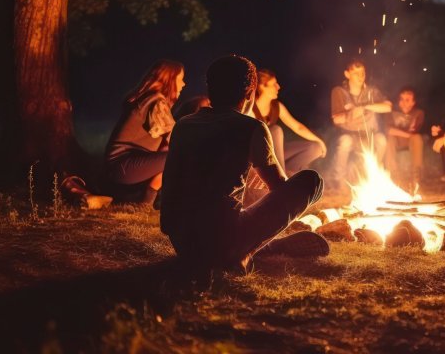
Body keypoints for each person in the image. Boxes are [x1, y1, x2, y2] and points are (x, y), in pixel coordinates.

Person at [160, 55, 327, 271]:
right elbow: (279, 189)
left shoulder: (184, 124)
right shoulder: (250, 128)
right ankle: (247, 252)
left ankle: (243, 249)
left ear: (210, 88)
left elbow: (175, 181)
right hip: (221, 239)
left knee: (230, 212)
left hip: (182, 240)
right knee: (311, 181)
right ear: (249, 93)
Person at [104, 59, 185, 205]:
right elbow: (177, 138)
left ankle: (144, 198)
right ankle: (146, 202)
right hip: (122, 167)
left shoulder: (150, 99)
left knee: (170, 152)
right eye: (181, 79)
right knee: (181, 155)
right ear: (170, 79)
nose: (184, 84)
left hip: (121, 170)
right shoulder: (155, 101)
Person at [330, 59, 392, 186]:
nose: (360, 76)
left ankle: (369, 175)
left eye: (362, 72)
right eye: (355, 73)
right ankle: (339, 180)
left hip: (369, 134)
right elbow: (337, 119)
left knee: (382, 140)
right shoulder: (339, 92)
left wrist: (365, 107)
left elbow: (387, 107)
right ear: (347, 74)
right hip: (349, 134)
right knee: (345, 142)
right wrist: (351, 114)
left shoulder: (372, 91)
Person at [253, 69, 327, 176]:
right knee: (276, 130)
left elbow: (297, 127)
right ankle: (281, 181)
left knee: (316, 148)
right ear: (262, 87)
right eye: (274, 84)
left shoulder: (276, 106)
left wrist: (319, 141)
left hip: (275, 155)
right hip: (258, 158)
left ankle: (288, 175)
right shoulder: (251, 109)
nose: (278, 87)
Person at [384, 87, 426, 186]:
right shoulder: (391, 111)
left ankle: (416, 175)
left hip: (410, 141)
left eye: (407, 100)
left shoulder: (418, 113)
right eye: (401, 99)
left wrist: (398, 131)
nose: (403, 103)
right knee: (390, 139)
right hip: (396, 140)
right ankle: (392, 173)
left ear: (413, 102)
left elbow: (415, 132)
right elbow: (388, 130)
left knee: (417, 138)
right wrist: (406, 133)